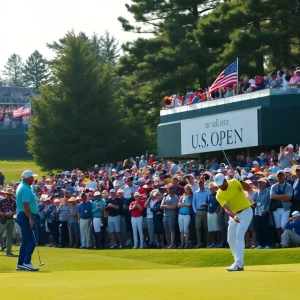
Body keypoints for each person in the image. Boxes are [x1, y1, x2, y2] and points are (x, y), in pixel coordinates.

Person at [214, 173, 253, 271]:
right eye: (217, 184)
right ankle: (238, 261)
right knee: (230, 239)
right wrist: (234, 216)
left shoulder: (235, 182)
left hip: (246, 211)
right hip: (234, 215)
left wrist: (240, 180)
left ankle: (239, 264)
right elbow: (226, 208)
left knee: (239, 234)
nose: (219, 186)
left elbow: (248, 188)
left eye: (220, 184)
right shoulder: (219, 194)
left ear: (224, 180)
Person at [15, 170, 39, 271]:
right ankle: (26, 262)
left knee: (25, 241)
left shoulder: (23, 186)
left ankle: (20, 264)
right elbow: (25, 205)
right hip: (26, 216)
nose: (33, 179)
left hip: (22, 215)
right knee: (32, 240)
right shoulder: (25, 188)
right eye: (32, 177)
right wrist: (30, 218)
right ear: (27, 178)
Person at [270, 170, 292, 244]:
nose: (279, 177)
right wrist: (284, 196)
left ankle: (286, 241)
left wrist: (278, 197)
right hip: (276, 209)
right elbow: (272, 196)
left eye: (281, 175)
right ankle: (281, 242)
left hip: (286, 208)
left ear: (284, 176)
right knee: (278, 226)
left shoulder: (288, 186)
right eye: (278, 176)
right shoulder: (274, 186)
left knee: (283, 225)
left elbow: (289, 197)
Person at [252, 178, 272, 249]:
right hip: (257, 213)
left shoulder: (268, 192)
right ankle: (261, 244)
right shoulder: (256, 193)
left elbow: (270, 203)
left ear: (265, 184)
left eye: (261, 183)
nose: (259, 184)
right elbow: (253, 201)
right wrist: (253, 204)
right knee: (259, 229)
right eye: (258, 183)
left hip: (265, 213)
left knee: (266, 229)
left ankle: (267, 244)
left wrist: (266, 210)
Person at [192, 177, 210, 248]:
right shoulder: (195, 192)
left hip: (205, 211)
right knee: (198, 228)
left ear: (203, 183)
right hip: (198, 211)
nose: (200, 184)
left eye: (201, 183)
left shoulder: (208, 192)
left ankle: (207, 243)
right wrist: (195, 211)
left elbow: (209, 202)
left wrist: (206, 205)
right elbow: (193, 202)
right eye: (199, 183)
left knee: (206, 228)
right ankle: (199, 243)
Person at [161, 184, 179, 248]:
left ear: (174, 190)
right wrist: (168, 206)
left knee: (172, 230)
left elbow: (174, 207)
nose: (170, 190)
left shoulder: (175, 197)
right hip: (165, 215)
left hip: (172, 215)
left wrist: (166, 206)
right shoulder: (165, 197)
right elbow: (161, 206)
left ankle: (172, 244)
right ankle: (168, 244)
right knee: (167, 231)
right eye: (169, 189)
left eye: (171, 189)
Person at [0, 188, 17, 257]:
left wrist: (12, 213)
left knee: (9, 236)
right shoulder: (1, 201)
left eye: (10, 194)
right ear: (5, 194)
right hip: (3, 220)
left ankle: (9, 252)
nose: (9, 195)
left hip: (11, 220)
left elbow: (16, 211)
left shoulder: (14, 202)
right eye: (8, 194)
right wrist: (5, 214)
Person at [206, 182, 222, 248]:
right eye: (210, 188)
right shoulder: (209, 195)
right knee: (211, 229)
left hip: (215, 213)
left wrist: (216, 212)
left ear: (215, 188)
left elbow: (219, 204)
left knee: (217, 229)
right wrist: (204, 204)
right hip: (209, 213)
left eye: (212, 188)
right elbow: (207, 203)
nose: (211, 190)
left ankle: (218, 242)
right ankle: (213, 242)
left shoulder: (217, 195)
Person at [177, 184, 193, 248]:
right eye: (186, 189)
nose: (187, 190)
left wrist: (182, 204)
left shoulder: (191, 196)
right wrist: (184, 204)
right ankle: (182, 244)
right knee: (181, 230)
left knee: (186, 230)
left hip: (187, 215)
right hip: (180, 215)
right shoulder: (182, 196)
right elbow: (178, 205)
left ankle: (186, 243)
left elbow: (189, 204)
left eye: (188, 189)